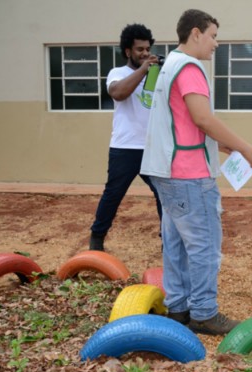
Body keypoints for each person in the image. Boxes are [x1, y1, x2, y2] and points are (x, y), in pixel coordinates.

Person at [140, 9, 252, 335]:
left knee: (176, 245)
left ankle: (179, 309)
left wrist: (221, 146)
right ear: (195, 33)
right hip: (189, 175)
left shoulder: (168, 65)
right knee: (204, 246)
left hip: (167, 172)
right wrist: (245, 147)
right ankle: (205, 313)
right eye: (212, 35)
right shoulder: (190, 67)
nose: (216, 43)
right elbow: (202, 118)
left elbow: (183, 122)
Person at [89, 24, 163, 252]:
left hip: (151, 147)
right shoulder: (117, 73)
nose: (144, 53)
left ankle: (168, 240)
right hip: (125, 146)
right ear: (128, 51)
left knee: (164, 194)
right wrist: (143, 69)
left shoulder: (154, 74)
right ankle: (97, 238)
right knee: (113, 194)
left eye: (147, 48)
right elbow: (119, 94)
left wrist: (155, 72)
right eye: (139, 49)